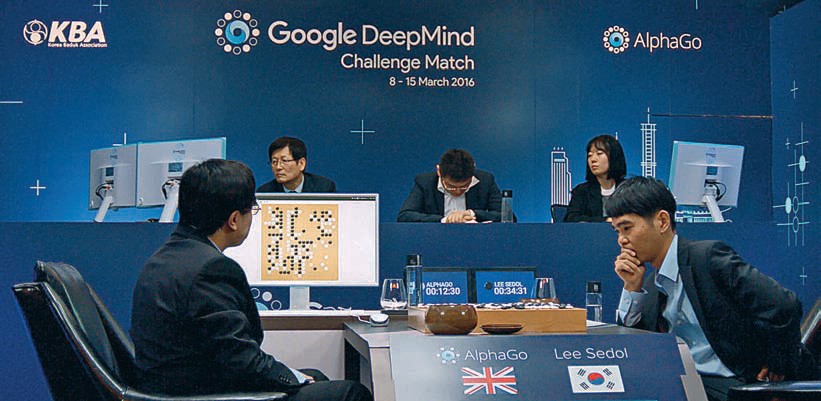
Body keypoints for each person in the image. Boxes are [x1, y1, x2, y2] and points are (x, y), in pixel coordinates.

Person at [130, 159, 371, 401]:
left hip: (174, 387)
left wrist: (294, 377)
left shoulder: (163, 258)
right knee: (350, 393)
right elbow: (241, 360)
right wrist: (292, 378)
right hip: (203, 394)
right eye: (252, 210)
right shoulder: (211, 269)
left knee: (315, 377)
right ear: (234, 220)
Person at [607, 176, 810, 401]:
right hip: (688, 385)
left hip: (733, 384)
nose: (621, 240)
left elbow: (784, 305)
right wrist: (631, 289)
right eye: (617, 231)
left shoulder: (707, 259)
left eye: (627, 228)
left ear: (662, 221)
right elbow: (634, 348)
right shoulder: (651, 285)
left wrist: (778, 364)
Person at [397, 149, 505, 223]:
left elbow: (506, 217)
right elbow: (405, 216)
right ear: (439, 171)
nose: (457, 191)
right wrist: (445, 220)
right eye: (450, 187)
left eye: (464, 187)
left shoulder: (485, 180)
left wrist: (472, 214)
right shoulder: (425, 182)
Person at [564, 134, 626, 222]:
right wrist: (606, 220)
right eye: (590, 155)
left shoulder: (629, 189)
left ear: (614, 156)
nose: (593, 159)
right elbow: (571, 219)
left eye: (599, 153)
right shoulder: (582, 191)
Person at [257, 136, 336, 193]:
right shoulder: (265, 192)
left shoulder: (323, 188)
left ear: (301, 163)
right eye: (274, 161)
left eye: (284, 161)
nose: (278, 167)